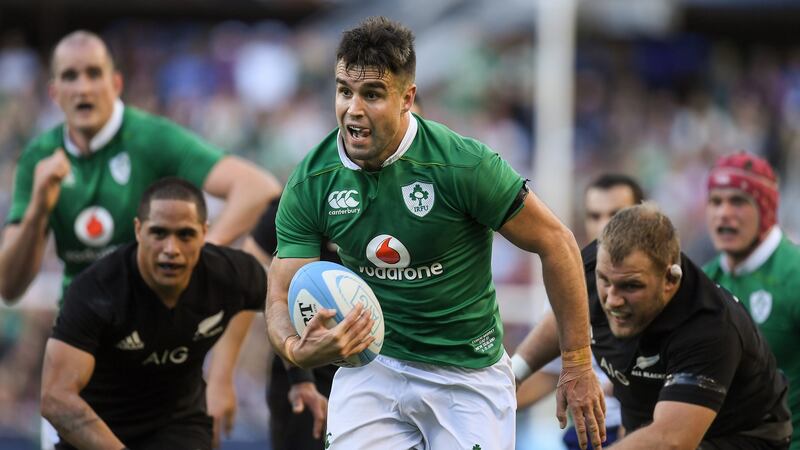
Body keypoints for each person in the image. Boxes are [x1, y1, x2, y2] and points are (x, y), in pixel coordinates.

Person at [265, 16, 604, 450]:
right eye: (344, 91)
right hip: (373, 365)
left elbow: (557, 242)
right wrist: (295, 348)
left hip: (466, 372)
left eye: (372, 94)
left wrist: (576, 365)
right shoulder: (312, 180)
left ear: (407, 98)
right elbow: (279, 290)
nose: (353, 108)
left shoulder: (463, 166)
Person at [0, 30, 280, 447]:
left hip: (160, 356)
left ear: (115, 83)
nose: (83, 87)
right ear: (54, 91)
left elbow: (258, 188)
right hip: (84, 348)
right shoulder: (41, 157)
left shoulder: (151, 138)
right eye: (71, 77)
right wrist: (40, 204)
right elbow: (9, 285)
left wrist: (195, 253)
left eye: (94, 73)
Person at [514, 204, 792, 449]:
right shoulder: (598, 265)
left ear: (670, 280)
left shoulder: (709, 327)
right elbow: (571, 310)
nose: (612, 300)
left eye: (631, 286)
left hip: (737, 437)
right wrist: (514, 374)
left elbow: (671, 441)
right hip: (653, 423)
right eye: (604, 282)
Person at [40, 177, 267, 450]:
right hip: (94, 432)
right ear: (138, 231)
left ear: (204, 233)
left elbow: (283, 305)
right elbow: (55, 398)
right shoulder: (97, 290)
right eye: (159, 233)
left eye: (185, 235)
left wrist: (299, 378)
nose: (171, 250)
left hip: (178, 428)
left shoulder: (229, 273)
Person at [515, 173, 644, 449]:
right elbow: (549, 373)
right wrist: (488, 396)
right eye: (595, 216)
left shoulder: (663, 286)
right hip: (585, 433)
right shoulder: (570, 283)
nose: (605, 225)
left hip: (640, 428)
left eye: (616, 214)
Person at [704, 152, 800, 449]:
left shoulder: (794, 276)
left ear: (766, 208)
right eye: (716, 202)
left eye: (738, 201)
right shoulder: (705, 280)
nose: (724, 213)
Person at [243, 198, 335, 450]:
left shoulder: (390, 197)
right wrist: (220, 378)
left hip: (378, 368)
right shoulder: (299, 198)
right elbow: (243, 281)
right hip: (303, 373)